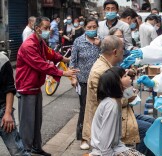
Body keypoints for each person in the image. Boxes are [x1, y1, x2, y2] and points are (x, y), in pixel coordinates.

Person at [16, 16, 79, 156]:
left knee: (37, 121)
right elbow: (41, 65)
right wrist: (64, 73)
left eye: (49, 28)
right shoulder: (29, 45)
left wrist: (66, 59)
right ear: (37, 28)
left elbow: (51, 54)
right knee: (27, 123)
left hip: (35, 86)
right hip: (26, 87)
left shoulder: (40, 42)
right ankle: (25, 151)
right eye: (45, 28)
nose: (48, 31)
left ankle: (36, 148)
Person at [83, 35, 154, 155]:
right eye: (123, 49)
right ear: (115, 52)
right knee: (148, 130)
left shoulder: (109, 66)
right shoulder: (100, 71)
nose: (124, 52)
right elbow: (108, 100)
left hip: (122, 113)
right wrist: (128, 92)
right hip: (109, 121)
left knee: (154, 123)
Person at [90, 67, 144, 156]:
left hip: (115, 148)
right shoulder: (111, 105)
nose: (129, 77)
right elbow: (105, 144)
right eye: (125, 76)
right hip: (105, 152)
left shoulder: (115, 100)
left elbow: (129, 94)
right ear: (117, 83)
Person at [70, 16, 101, 150]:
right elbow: (73, 61)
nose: (92, 30)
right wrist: (73, 77)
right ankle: (83, 137)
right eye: (89, 27)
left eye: (94, 27)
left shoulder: (101, 41)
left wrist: (100, 46)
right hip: (83, 81)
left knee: (99, 108)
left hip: (100, 81)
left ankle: (97, 137)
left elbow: (107, 57)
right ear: (84, 28)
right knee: (85, 109)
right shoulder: (78, 41)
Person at [0, 53, 31, 156]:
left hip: (2, 112)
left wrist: (7, 113)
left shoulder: (2, 59)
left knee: (17, 151)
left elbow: (9, 88)